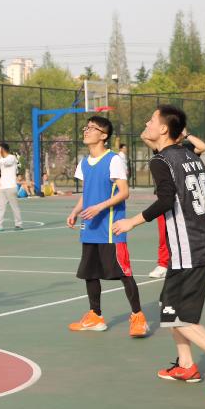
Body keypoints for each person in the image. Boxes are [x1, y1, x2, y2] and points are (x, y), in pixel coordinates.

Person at [112, 105, 205, 392]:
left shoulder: (161, 161)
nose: (146, 123)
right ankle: (186, 365)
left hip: (190, 247)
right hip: (202, 242)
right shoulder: (189, 155)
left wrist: (131, 221)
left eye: (151, 120)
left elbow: (165, 200)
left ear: (163, 129)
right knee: (168, 305)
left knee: (175, 315)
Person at [65, 115, 148, 337]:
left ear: (103, 135)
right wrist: (75, 211)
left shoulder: (113, 160)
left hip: (111, 229)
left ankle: (138, 317)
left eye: (92, 128)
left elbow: (124, 192)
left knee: (124, 273)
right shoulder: (84, 162)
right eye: (86, 127)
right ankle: (95, 316)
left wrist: (99, 207)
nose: (86, 131)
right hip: (90, 228)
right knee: (89, 273)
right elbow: (87, 193)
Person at [149, 129, 205, 279]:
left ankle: (192, 259)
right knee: (165, 234)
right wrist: (152, 126)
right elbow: (145, 137)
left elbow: (202, 147)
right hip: (168, 199)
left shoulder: (187, 151)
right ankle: (163, 264)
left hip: (187, 199)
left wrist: (187, 134)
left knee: (191, 232)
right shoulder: (163, 150)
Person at [0, 143, 22, 231]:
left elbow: (3, 162)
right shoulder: (2, 159)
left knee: (14, 207)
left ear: (2, 149)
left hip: (11, 187)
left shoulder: (12, 158)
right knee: (1, 207)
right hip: (3, 187)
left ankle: (18, 224)